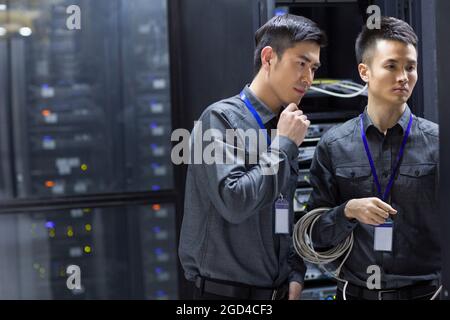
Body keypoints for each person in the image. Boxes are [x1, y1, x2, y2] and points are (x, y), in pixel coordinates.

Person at [178, 14, 326, 300]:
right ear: (269, 58)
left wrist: (294, 273)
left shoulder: (283, 126)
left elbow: (282, 209)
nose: (308, 78)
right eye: (301, 63)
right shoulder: (220, 118)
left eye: (314, 68)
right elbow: (235, 201)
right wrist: (283, 144)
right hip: (224, 297)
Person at [306, 16, 441, 300]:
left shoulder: (438, 143)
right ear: (364, 71)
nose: (403, 77)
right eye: (391, 66)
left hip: (426, 294)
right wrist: (347, 211)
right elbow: (315, 236)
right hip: (354, 293)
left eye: (411, 67)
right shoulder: (334, 145)